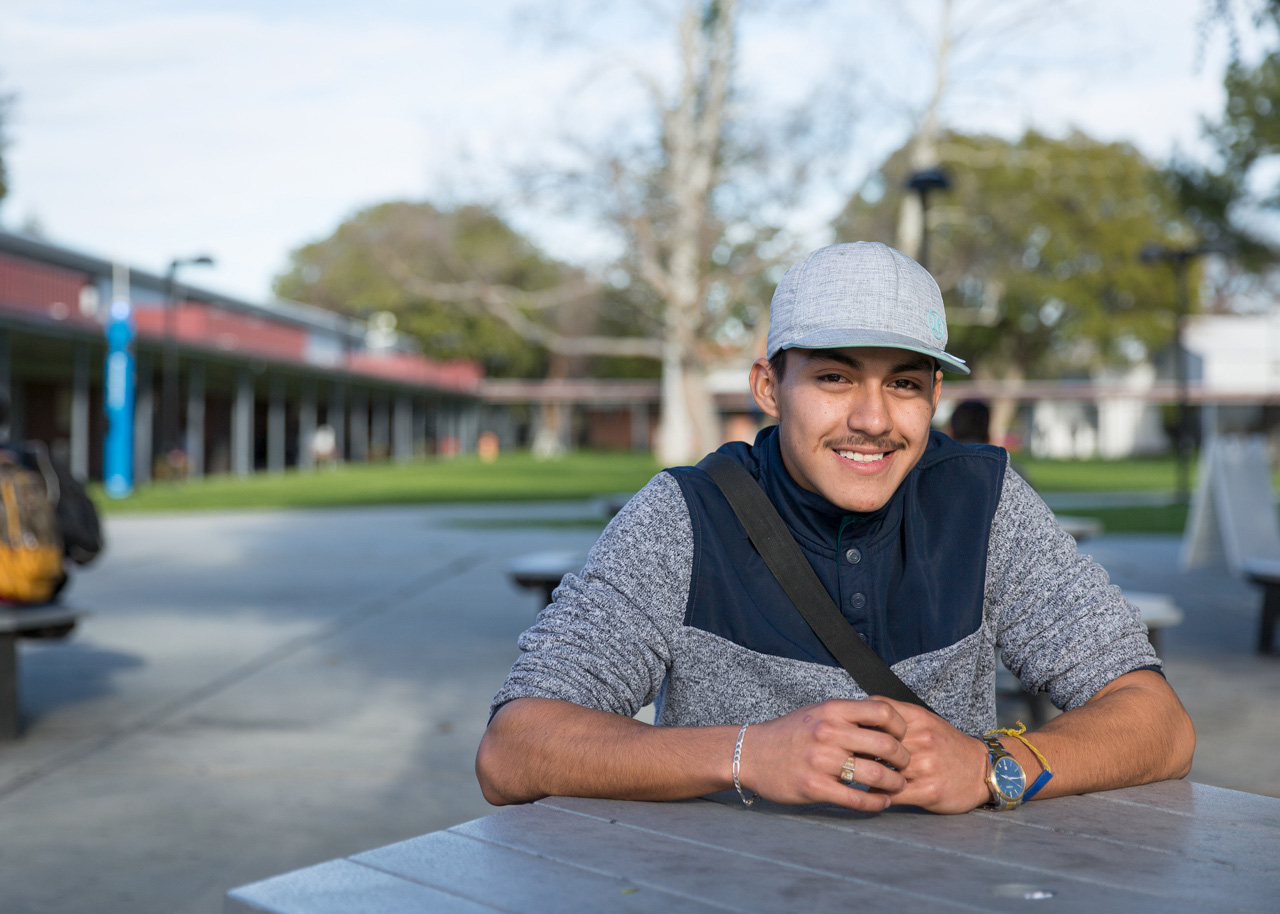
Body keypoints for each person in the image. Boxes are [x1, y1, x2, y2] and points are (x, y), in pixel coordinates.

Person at [476, 242, 1194, 815]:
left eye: (904, 383)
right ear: (768, 387)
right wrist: (749, 755)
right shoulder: (685, 515)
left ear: (934, 395)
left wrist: (991, 768)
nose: (874, 420)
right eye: (835, 378)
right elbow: (514, 751)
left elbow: (1158, 724)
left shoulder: (984, 501)